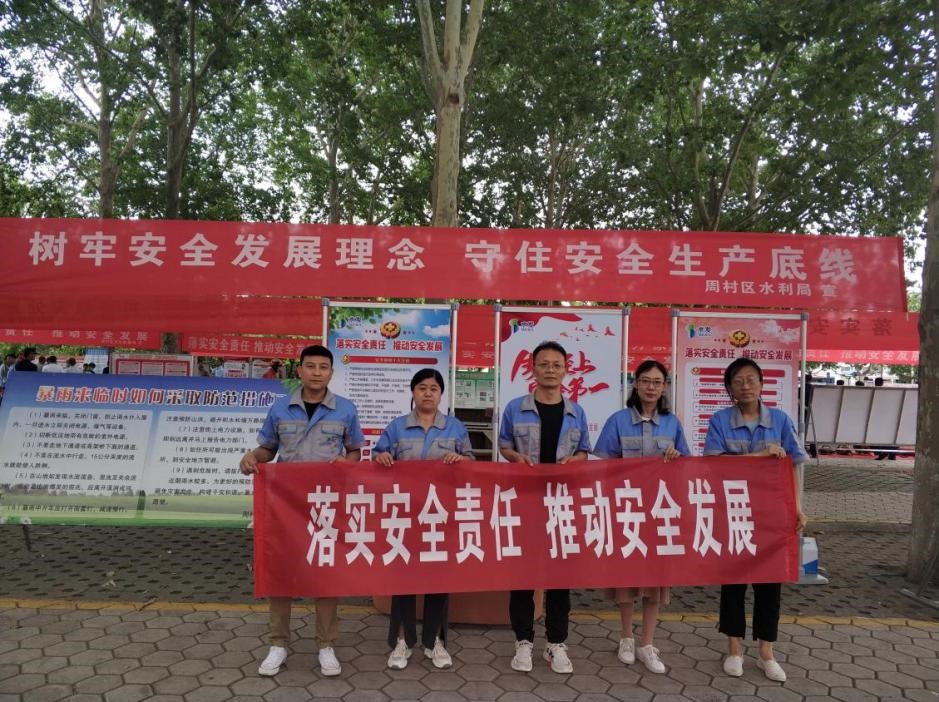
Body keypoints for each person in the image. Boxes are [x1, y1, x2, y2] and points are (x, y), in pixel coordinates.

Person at [239, 344, 364, 678]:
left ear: (331, 372)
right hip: (286, 505)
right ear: (300, 370)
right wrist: (252, 457)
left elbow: (355, 452)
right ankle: (278, 644)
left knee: (326, 574)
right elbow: (268, 448)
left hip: (327, 504)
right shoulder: (281, 408)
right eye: (310, 366)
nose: (316, 372)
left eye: (323, 367)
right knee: (282, 572)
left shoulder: (345, 409)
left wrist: (347, 462)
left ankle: (326, 645)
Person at [703, 357, 807, 683]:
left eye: (751, 379)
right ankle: (734, 649)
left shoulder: (780, 420)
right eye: (738, 381)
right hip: (733, 512)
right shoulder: (720, 421)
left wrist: (798, 508)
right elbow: (715, 465)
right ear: (729, 389)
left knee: (769, 585)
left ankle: (766, 653)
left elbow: (794, 466)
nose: (745, 386)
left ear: (761, 384)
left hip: (772, 515)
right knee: (733, 583)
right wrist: (760, 456)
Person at [372, 368, 474, 671]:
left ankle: (435, 641)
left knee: (438, 579)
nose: (427, 393)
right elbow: (378, 456)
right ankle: (402, 640)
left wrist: (461, 460)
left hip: (441, 515)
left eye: (433, 388)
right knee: (403, 579)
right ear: (413, 392)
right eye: (421, 388)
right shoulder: (397, 427)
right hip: (404, 514)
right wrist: (381, 458)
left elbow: (471, 462)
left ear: (441, 394)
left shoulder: (455, 427)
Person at [498, 340, 590, 674]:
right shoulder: (515, 408)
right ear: (533, 368)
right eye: (544, 364)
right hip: (525, 500)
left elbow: (584, 451)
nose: (550, 370)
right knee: (522, 573)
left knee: (560, 576)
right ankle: (523, 640)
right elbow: (504, 445)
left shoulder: (576, 412)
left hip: (562, 502)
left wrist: (573, 461)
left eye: (556, 365)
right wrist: (516, 458)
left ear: (566, 370)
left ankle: (556, 643)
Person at [593, 359, 689, 674]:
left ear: (664, 387)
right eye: (645, 381)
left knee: (655, 579)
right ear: (636, 384)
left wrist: (676, 458)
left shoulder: (672, 424)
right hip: (626, 509)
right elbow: (603, 465)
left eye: (657, 382)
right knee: (626, 576)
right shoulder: (618, 421)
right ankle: (625, 637)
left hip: (660, 511)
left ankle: (647, 643)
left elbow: (686, 465)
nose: (651, 387)